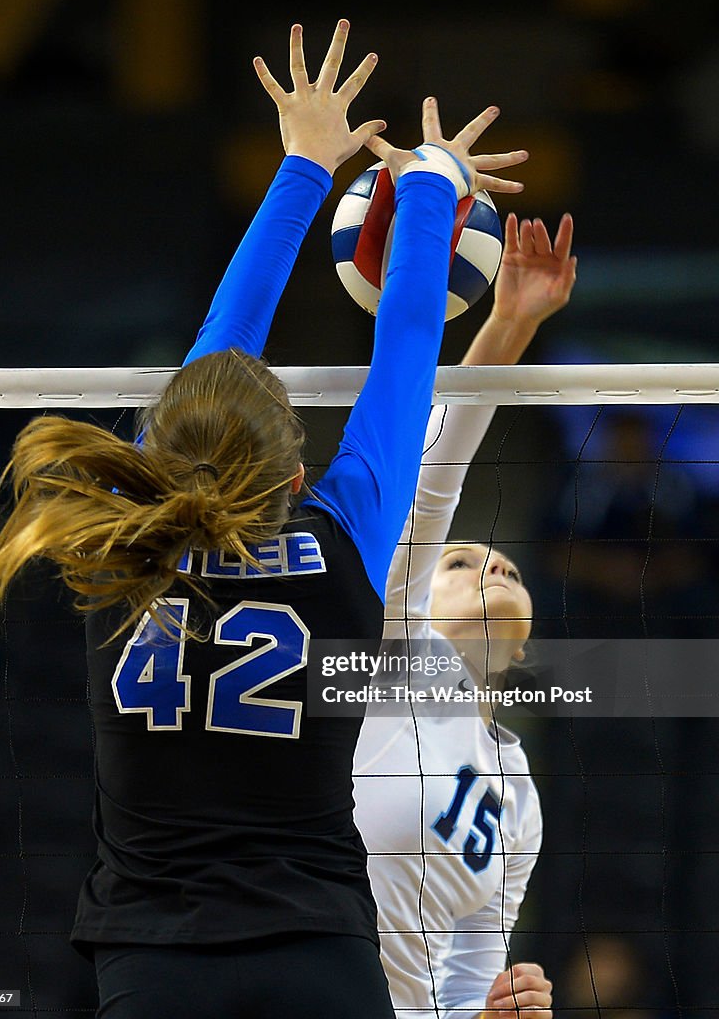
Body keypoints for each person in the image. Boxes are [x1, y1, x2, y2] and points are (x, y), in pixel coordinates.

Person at [0, 18, 528, 1019]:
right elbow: (405, 361)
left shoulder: (123, 541)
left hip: (153, 956)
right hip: (317, 950)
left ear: (161, 450)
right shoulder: (336, 538)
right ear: (299, 470)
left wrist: (321, 167)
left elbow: (227, 355)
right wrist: (429, 184)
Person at [353, 210, 577, 1018]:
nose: (488, 560)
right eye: (458, 560)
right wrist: (508, 325)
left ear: (520, 654)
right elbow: (439, 472)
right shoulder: (388, 655)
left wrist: (495, 1013)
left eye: (503, 566)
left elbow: (471, 972)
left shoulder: (517, 795)